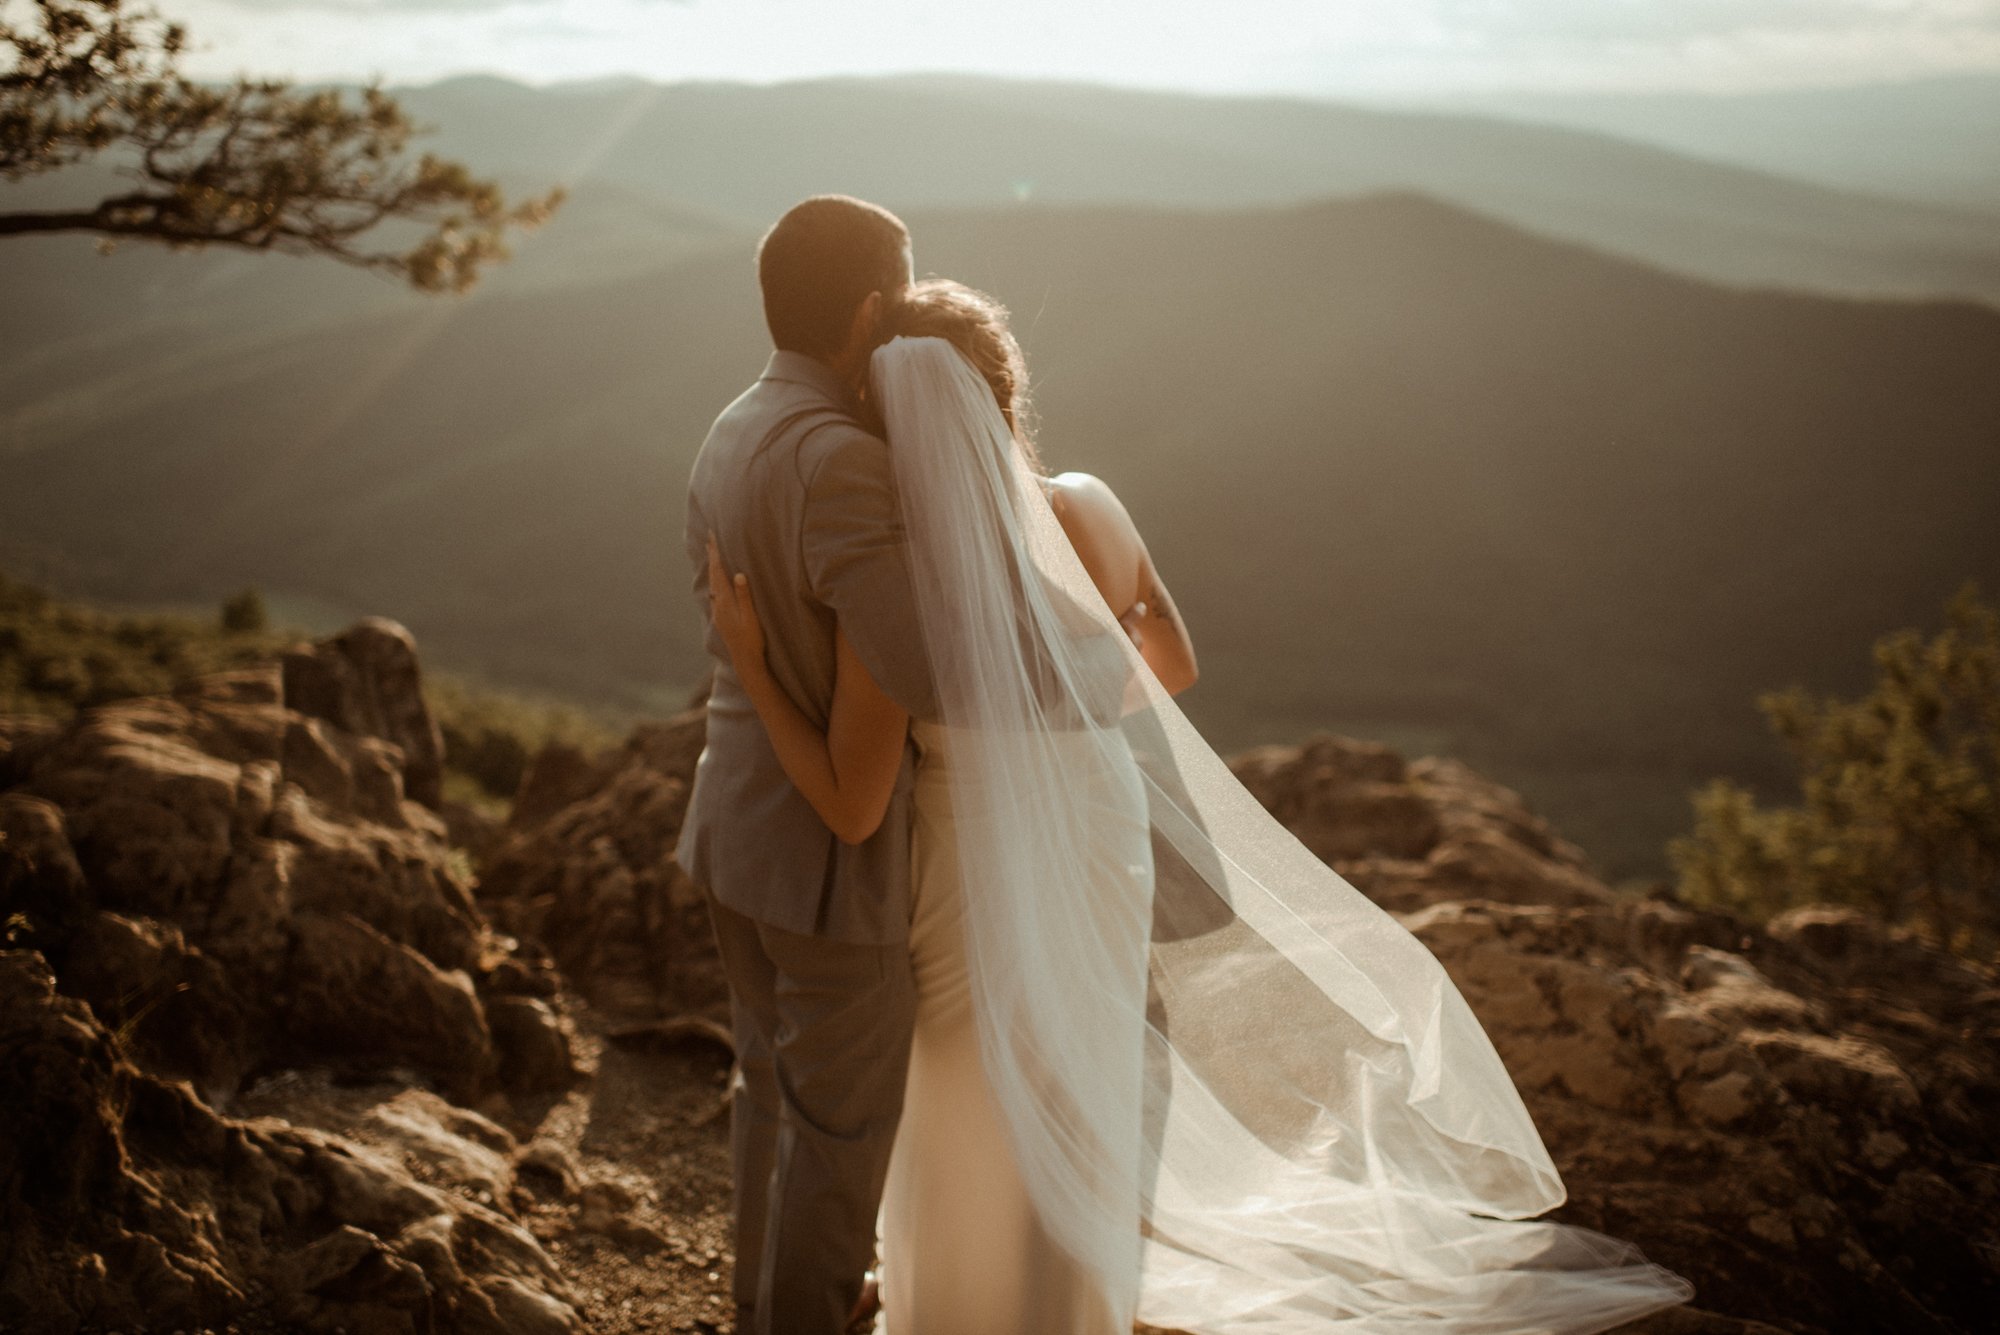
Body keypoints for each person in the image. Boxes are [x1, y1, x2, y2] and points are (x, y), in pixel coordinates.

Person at [694, 196, 1697, 1333]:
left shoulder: (912, 574)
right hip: (1097, 817)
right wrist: (1066, 707)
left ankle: (960, 1306)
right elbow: (1166, 659)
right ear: (1003, 388)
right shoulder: (1085, 506)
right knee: (1086, 1063)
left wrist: (767, 668)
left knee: (966, 1083)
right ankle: (1075, 1307)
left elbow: (873, 750)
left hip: (964, 843)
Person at [675, 194, 930, 1335]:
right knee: (840, 1135)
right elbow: (889, 709)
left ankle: (755, 1306)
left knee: (765, 1094)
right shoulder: (845, 464)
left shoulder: (729, 423)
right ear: (870, 310)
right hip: (827, 858)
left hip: (730, 827)